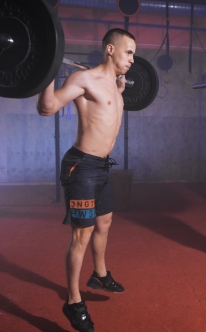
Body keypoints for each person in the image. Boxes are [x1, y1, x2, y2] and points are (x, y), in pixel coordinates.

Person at [37, 28, 136, 332]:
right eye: (128, 52)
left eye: (134, 54)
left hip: (102, 166)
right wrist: (48, 74)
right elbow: (47, 107)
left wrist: (117, 86)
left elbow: (108, 103)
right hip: (81, 166)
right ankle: (73, 301)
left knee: (105, 223)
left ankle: (100, 275)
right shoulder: (83, 80)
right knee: (82, 235)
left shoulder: (115, 87)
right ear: (110, 49)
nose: (133, 59)